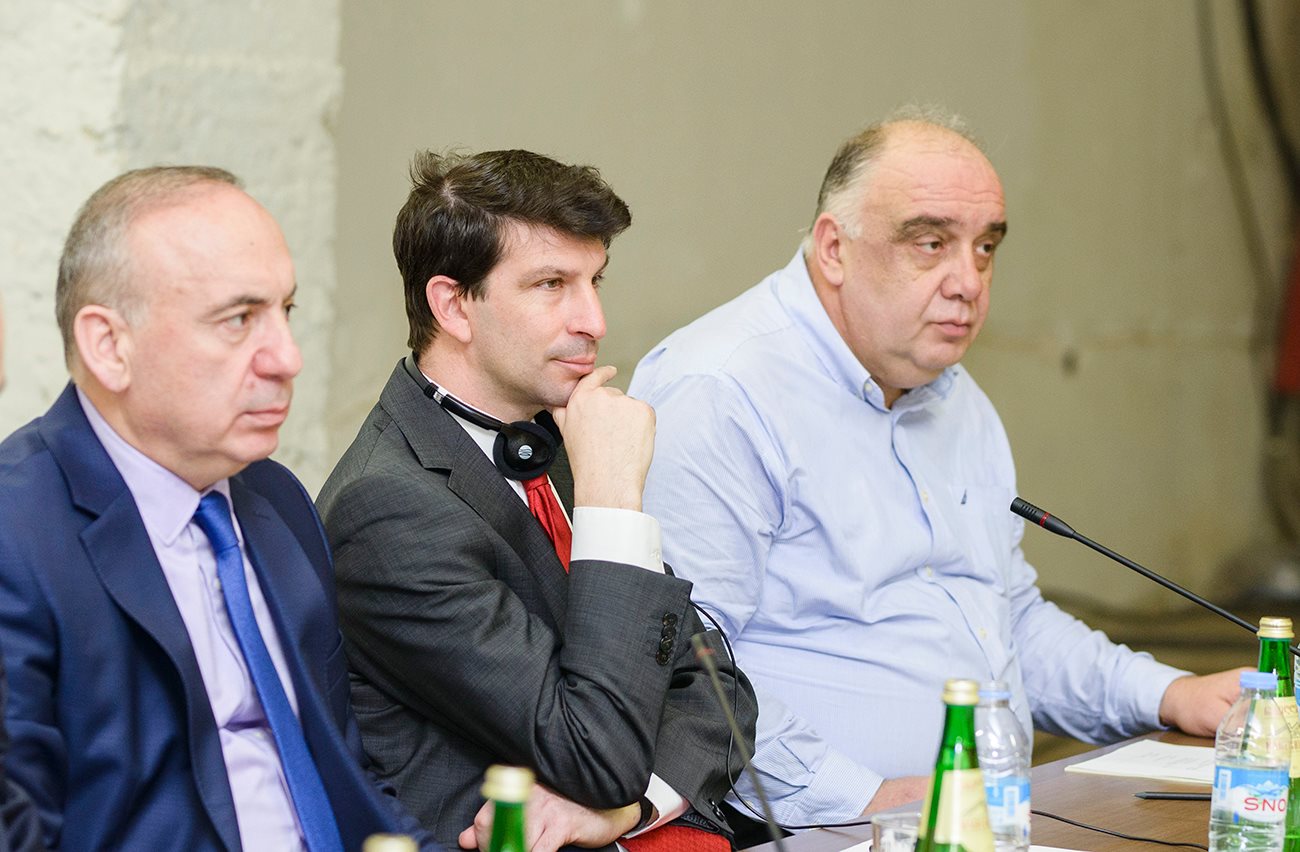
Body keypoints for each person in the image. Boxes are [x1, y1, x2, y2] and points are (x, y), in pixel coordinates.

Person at [628, 110, 1243, 826]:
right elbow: (687, 670)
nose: (969, 282)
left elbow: (1005, 620)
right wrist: (862, 798)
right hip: (806, 828)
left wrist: (1169, 695)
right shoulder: (720, 390)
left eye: (985, 248)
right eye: (931, 243)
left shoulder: (955, 396)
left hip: (987, 815)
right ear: (834, 248)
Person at [317, 149, 757, 852]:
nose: (594, 320)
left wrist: (627, 811)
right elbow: (595, 757)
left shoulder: (551, 438)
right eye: (552, 284)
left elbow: (720, 693)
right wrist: (613, 503)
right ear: (453, 305)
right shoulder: (388, 510)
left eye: (594, 280)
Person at [0, 166, 434, 850]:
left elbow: (343, 778)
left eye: (285, 312)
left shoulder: (278, 500)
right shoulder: (17, 533)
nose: (287, 358)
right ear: (109, 346)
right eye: (239, 319)